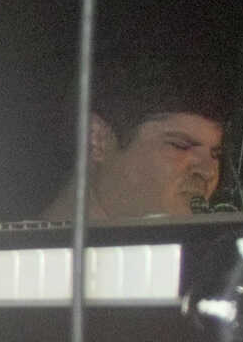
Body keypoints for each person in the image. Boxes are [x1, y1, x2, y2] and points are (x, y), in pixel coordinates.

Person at [36, 56, 230, 222]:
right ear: (97, 138)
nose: (208, 171)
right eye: (180, 145)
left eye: (216, 155)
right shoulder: (26, 253)